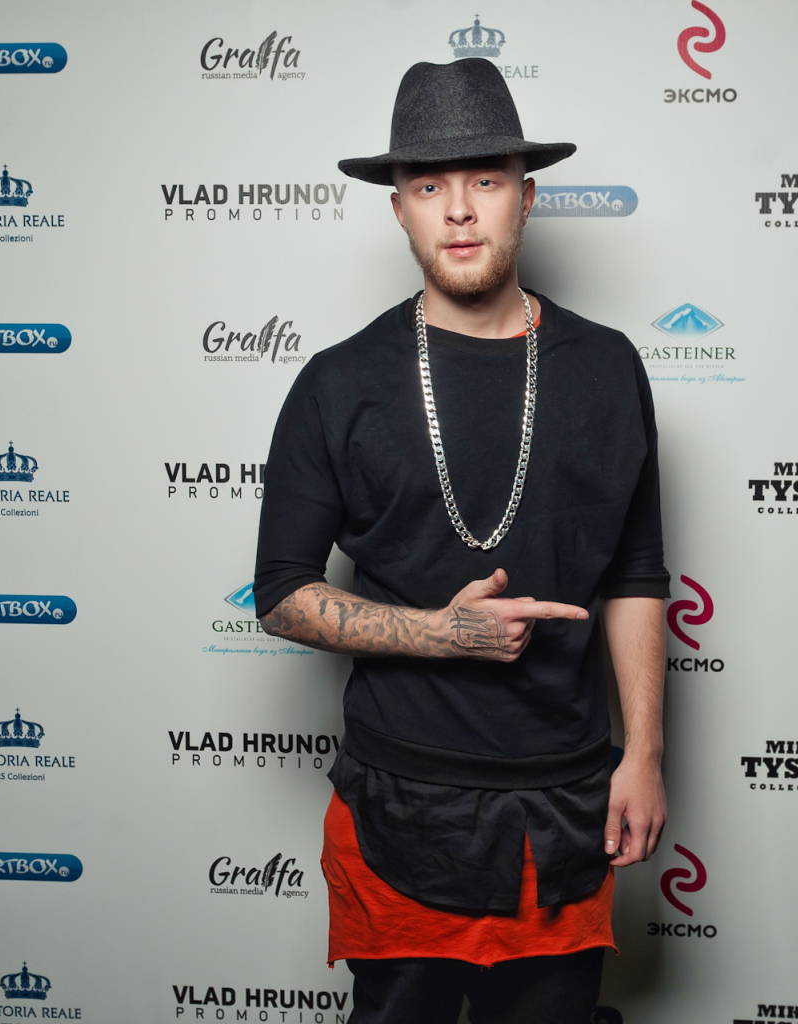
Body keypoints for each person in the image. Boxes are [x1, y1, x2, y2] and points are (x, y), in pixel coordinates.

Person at [253, 58, 669, 1024]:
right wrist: (442, 634)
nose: (459, 210)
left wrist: (644, 754)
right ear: (398, 210)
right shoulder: (338, 382)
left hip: (568, 799)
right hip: (400, 800)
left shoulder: (608, 367)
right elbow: (280, 592)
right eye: (428, 186)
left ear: (527, 197)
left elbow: (636, 575)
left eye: (485, 180)